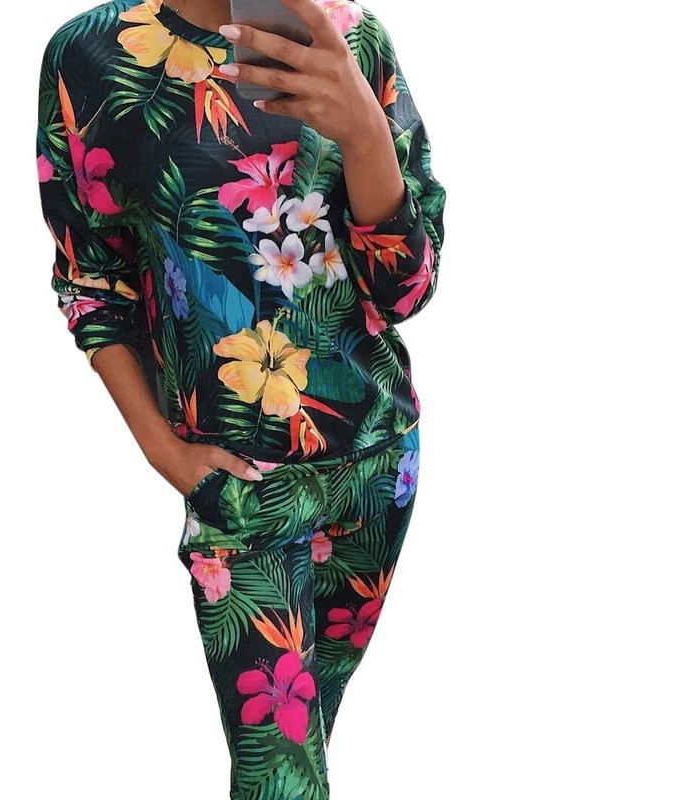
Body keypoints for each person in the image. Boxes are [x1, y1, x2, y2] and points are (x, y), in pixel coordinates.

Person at [36, 0, 445, 795]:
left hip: (378, 464)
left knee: (304, 755)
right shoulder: (93, 55)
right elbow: (92, 280)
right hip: (240, 494)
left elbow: (406, 291)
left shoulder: (352, 39)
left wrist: (365, 132)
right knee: (281, 782)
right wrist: (165, 452)